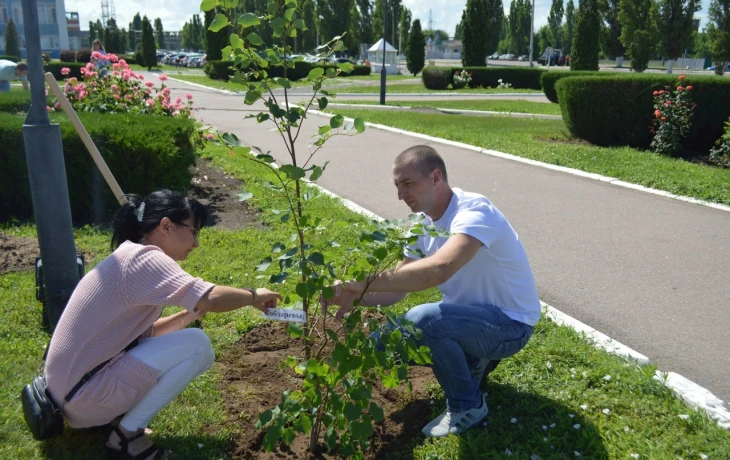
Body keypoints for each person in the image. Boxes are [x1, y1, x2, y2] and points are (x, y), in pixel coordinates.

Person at [44, 190, 282, 459]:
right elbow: (212, 298)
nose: (196, 244)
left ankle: (116, 421)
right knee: (198, 346)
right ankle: (126, 436)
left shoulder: (128, 256)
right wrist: (253, 295)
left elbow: (143, 335)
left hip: (66, 398)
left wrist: (187, 316)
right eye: (194, 231)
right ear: (166, 226)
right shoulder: (144, 258)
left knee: (192, 340)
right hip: (81, 399)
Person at [324, 145, 540, 438]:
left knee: (424, 320)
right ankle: (474, 361)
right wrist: (355, 294)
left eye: (408, 183)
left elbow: (440, 267)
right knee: (381, 345)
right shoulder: (421, 225)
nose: (400, 195)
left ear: (436, 177)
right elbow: (398, 287)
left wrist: (366, 281)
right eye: (397, 186)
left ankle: (468, 405)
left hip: (509, 325)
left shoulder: (474, 211)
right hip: (472, 322)